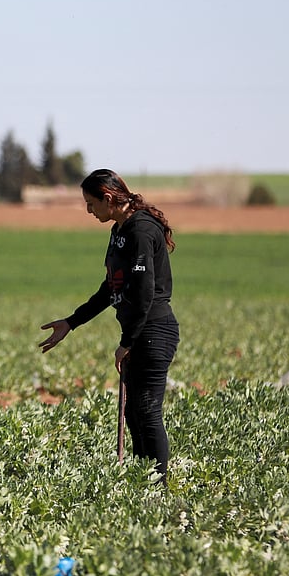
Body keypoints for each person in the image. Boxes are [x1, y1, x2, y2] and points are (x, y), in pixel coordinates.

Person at [38, 168, 179, 479]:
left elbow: (143, 291)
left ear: (108, 198)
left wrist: (128, 341)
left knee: (147, 411)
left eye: (91, 203)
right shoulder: (120, 229)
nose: (89, 211)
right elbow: (111, 288)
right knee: (134, 413)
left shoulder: (140, 230)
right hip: (141, 332)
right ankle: (145, 482)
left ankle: (159, 486)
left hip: (153, 331)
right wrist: (71, 322)